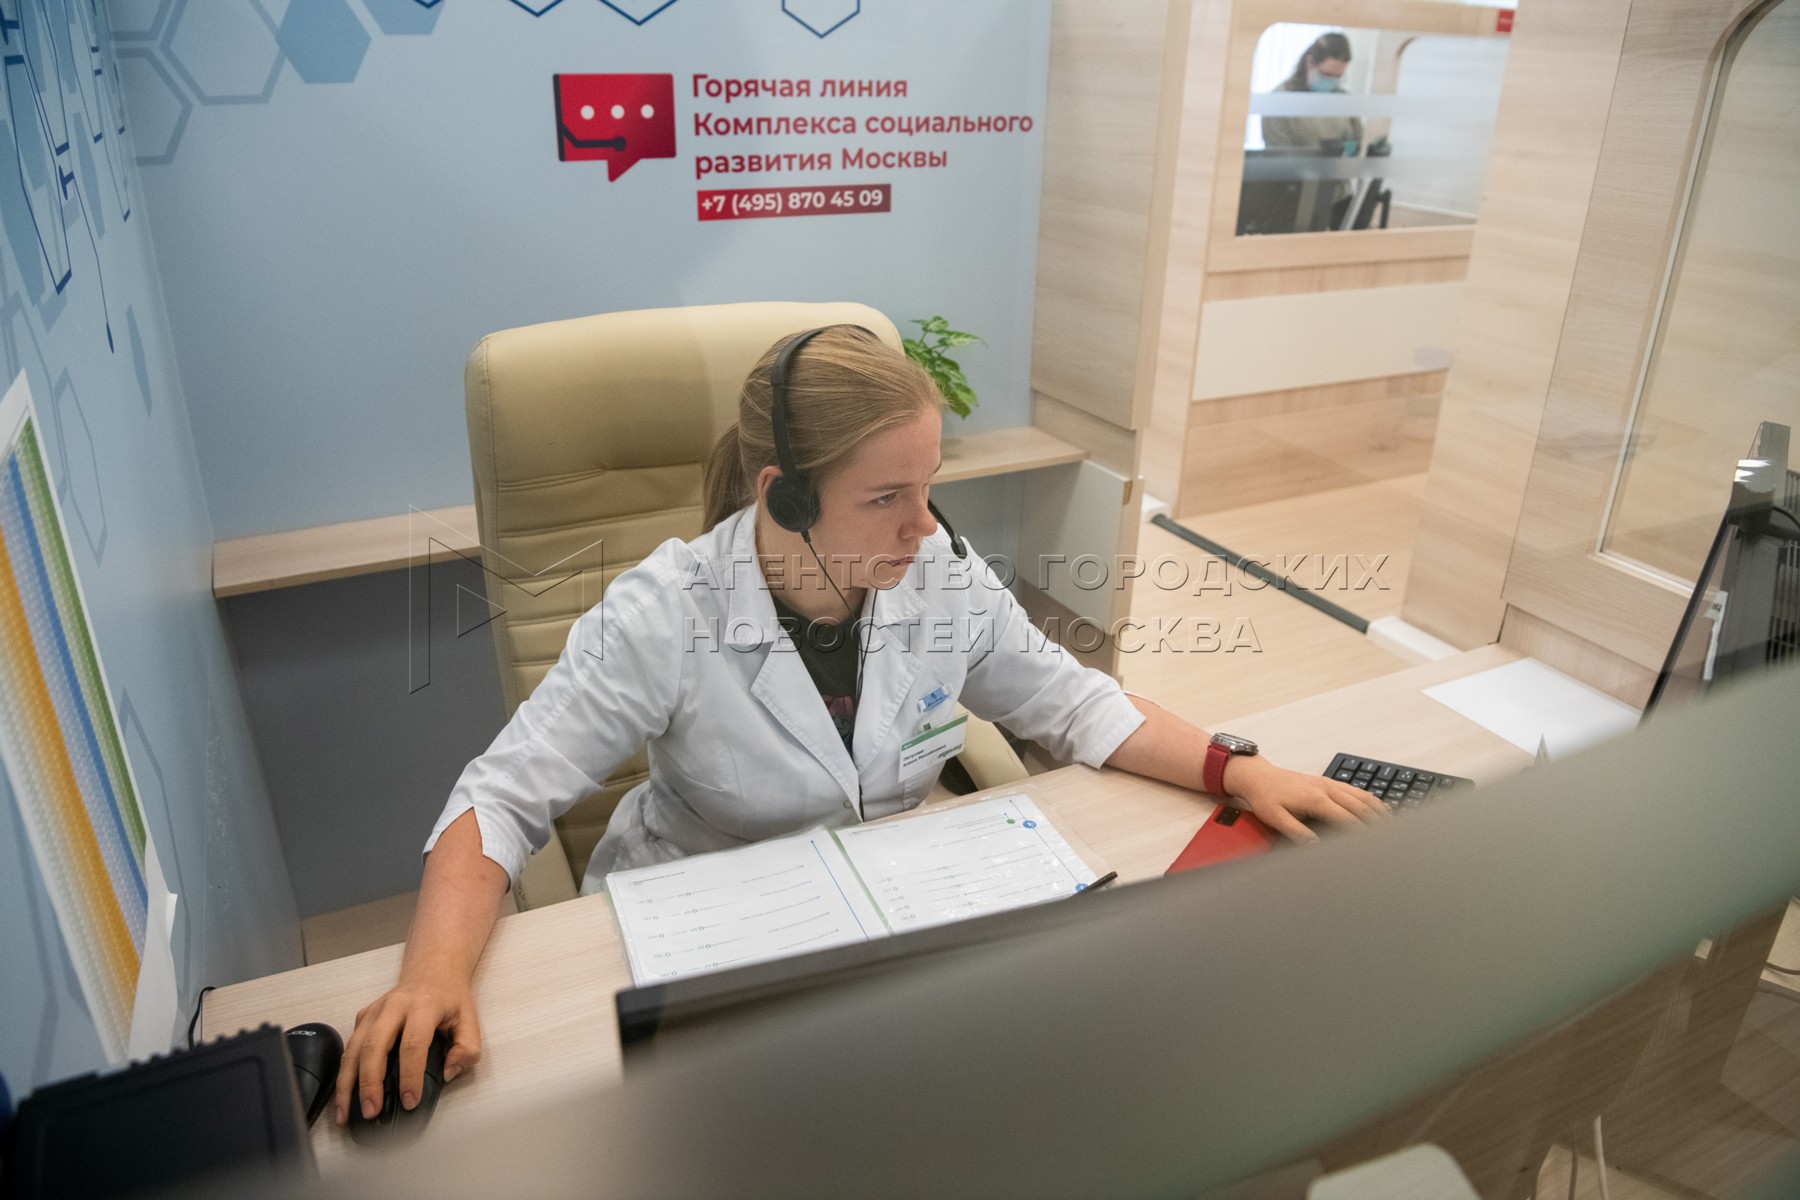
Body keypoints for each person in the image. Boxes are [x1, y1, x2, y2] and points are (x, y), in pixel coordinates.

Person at [332, 325, 1389, 1127]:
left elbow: (1074, 701)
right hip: (707, 940)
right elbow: (500, 799)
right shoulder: (669, 610)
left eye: (929, 488)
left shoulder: (936, 572)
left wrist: (1235, 768)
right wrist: (430, 978)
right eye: (888, 497)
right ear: (785, 497)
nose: (924, 526)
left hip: (883, 921)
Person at [1261, 31, 1363, 155]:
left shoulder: (1344, 101)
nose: (1331, 81)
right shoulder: (1279, 101)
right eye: (1327, 74)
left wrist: (1351, 150)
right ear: (1310, 62)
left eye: (1338, 77)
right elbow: (1278, 156)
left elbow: (1356, 142)